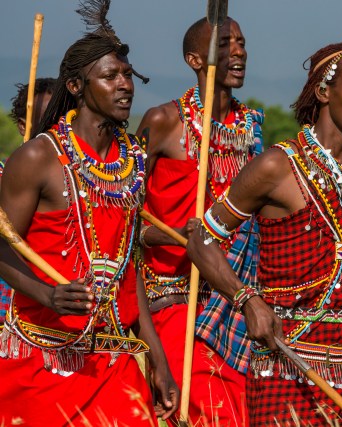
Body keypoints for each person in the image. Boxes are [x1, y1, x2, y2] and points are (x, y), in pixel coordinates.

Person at [187, 40, 342, 426]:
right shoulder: (278, 166)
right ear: (324, 91)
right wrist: (246, 300)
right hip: (288, 369)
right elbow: (201, 239)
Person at [0, 1, 179, 425]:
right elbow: (2, 245)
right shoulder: (39, 157)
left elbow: (128, 270)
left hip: (112, 360)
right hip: (43, 358)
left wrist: (159, 360)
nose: (125, 86)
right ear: (78, 87)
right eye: (110, 76)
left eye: (128, 76)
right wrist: (46, 294)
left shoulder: (134, 160)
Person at [135, 16, 262, 426]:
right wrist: (177, 235)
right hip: (171, 295)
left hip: (229, 296)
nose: (238, 52)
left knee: (249, 408)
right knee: (207, 407)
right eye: (224, 45)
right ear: (194, 59)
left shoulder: (252, 129)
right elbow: (123, 218)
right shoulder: (162, 121)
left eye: (241, 43)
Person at [0, 77, 56, 327]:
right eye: (46, 121)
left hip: (49, 318)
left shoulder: (78, 187)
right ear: (24, 126)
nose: (55, 129)